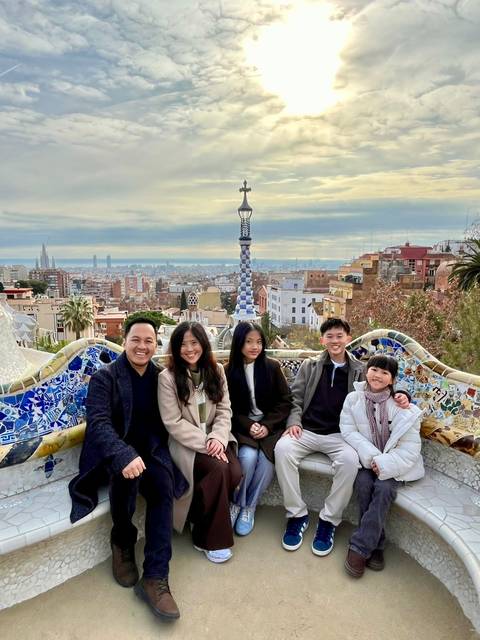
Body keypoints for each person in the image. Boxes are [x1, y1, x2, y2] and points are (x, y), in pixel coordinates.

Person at [69, 317, 187, 621]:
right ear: (124, 341)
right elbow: (98, 424)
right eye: (136, 339)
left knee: (163, 488)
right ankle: (122, 541)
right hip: (114, 457)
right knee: (126, 477)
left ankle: (155, 578)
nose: (142, 346)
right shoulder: (105, 378)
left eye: (149, 341)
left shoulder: (160, 377)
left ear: (155, 345)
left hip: (150, 455)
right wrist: (123, 454)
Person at [274, 318, 410, 557]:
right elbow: (295, 399)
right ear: (322, 340)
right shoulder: (310, 365)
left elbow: (381, 386)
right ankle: (297, 515)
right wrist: (294, 422)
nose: (335, 340)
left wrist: (402, 394)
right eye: (330, 336)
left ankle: (329, 521)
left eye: (339, 336)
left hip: (340, 435)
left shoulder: (360, 369)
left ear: (348, 338)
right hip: (306, 430)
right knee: (282, 450)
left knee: (349, 462)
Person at [158, 321, 242, 564]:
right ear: (175, 348)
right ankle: (209, 539)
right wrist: (208, 443)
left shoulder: (216, 370)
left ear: (204, 344)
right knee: (219, 469)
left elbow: (225, 409)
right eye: (183, 344)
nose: (189, 349)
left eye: (194, 343)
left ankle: (199, 515)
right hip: (188, 446)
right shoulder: (168, 378)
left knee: (235, 471)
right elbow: (172, 422)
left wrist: (218, 437)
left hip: (217, 437)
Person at [340, 355, 424, 577]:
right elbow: (349, 431)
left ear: (392, 379)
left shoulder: (401, 407)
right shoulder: (353, 399)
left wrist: (384, 463)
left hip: (394, 465)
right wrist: (373, 458)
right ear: (366, 371)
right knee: (364, 485)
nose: (378, 375)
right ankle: (376, 544)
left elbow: (410, 448)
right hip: (367, 461)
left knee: (384, 489)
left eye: (385, 373)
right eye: (374, 369)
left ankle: (360, 547)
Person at [225, 321, 292, 536]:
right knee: (247, 458)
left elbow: (285, 401)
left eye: (259, 342)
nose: (255, 347)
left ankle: (249, 507)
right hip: (243, 428)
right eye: (248, 342)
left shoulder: (271, 367)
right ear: (238, 343)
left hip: (270, 427)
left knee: (266, 464)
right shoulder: (227, 371)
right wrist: (249, 425)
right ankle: (236, 503)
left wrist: (265, 425)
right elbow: (227, 408)